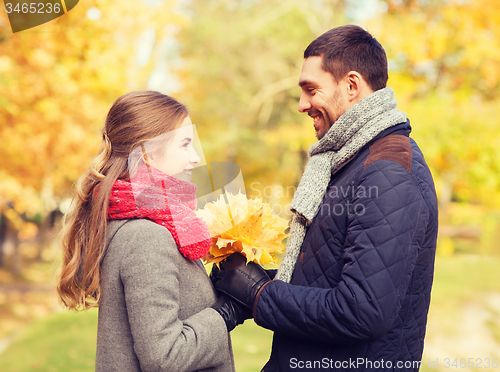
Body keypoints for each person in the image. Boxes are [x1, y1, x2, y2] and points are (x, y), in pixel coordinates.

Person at [211, 25, 439, 371]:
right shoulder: (350, 160)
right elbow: (325, 275)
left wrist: (260, 294)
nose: (302, 105)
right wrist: (252, 280)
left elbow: (362, 310)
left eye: (311, 89)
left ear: (351, 86)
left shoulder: (388, 169)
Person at [56, 91, 248, 372]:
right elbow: (165, 357)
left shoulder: (147, 222)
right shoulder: (148, 237)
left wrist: (219, 288)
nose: (195, 157)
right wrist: (227, 314)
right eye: (185, 144)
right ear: (146, 153)